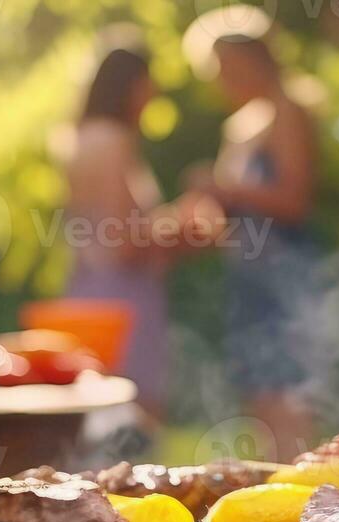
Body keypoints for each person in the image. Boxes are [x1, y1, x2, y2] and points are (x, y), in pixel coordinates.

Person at [185, 12, 322, 459]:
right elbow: (235, 210)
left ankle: (305, 494)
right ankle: (275, 497)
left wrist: (224, 187)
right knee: (258, 393)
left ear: (251, 59)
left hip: (285, 275)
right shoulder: (239, 124)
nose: (220, 80)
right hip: (247, 275)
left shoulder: (288, 110)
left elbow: (294, 200)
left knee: (287, 391)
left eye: (225, 67)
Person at [64, 29, 221, 419]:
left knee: (92, 426)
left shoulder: (80, 137)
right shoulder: (116, 141)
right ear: (132, 85)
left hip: (85, 291)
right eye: (148, 84)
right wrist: (186, 226)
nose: (153, 94)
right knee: (133, 422)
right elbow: (124, 241)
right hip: (123, 302)